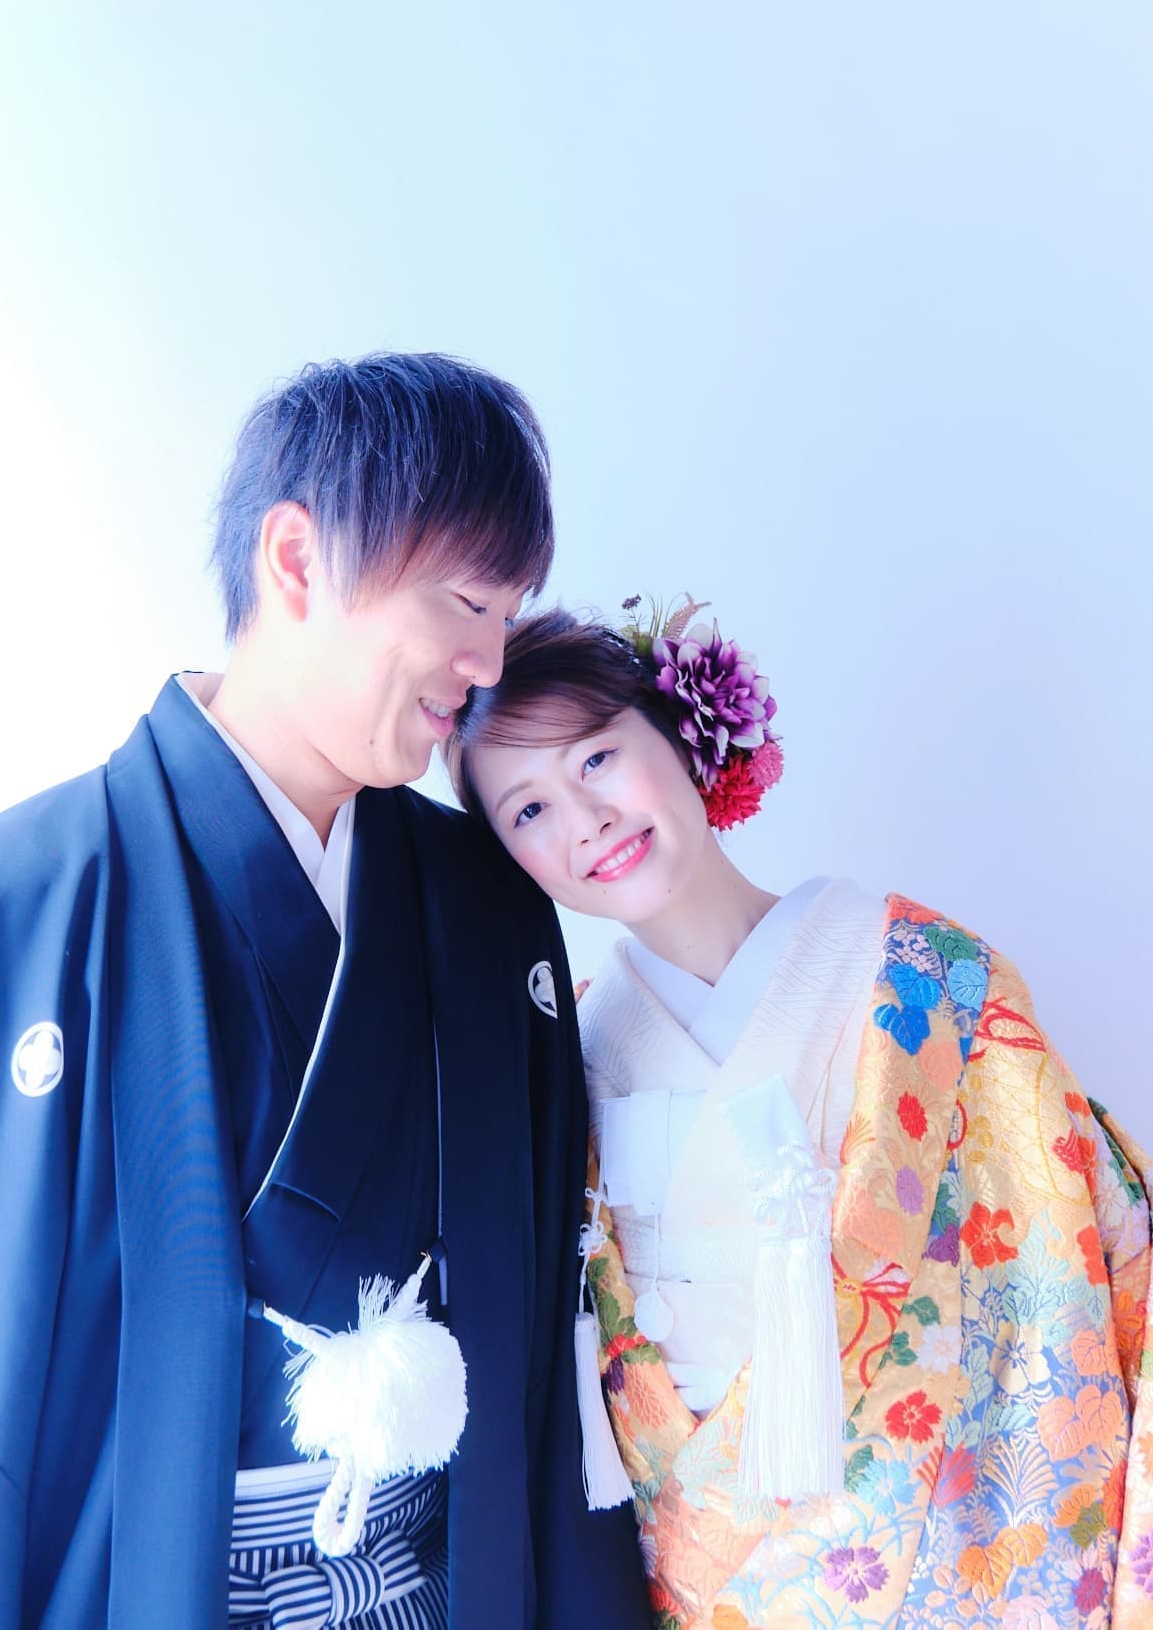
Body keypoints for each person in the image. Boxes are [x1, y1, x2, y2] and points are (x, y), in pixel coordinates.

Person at [0, 355, 649, 1630]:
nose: (486, 662)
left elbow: (550, 1359)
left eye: (509, 612)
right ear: (296, 560)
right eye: (466, 601)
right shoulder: (4, 912)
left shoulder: (488, 906)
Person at [444, 597, 1153, 1628]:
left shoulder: (929, 981)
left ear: (676, 729)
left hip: (963, 1560)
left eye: (595, 756)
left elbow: (1072, 1263)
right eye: (528, 811)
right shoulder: (568, 1058)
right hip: (712, 1581)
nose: (583, 818)